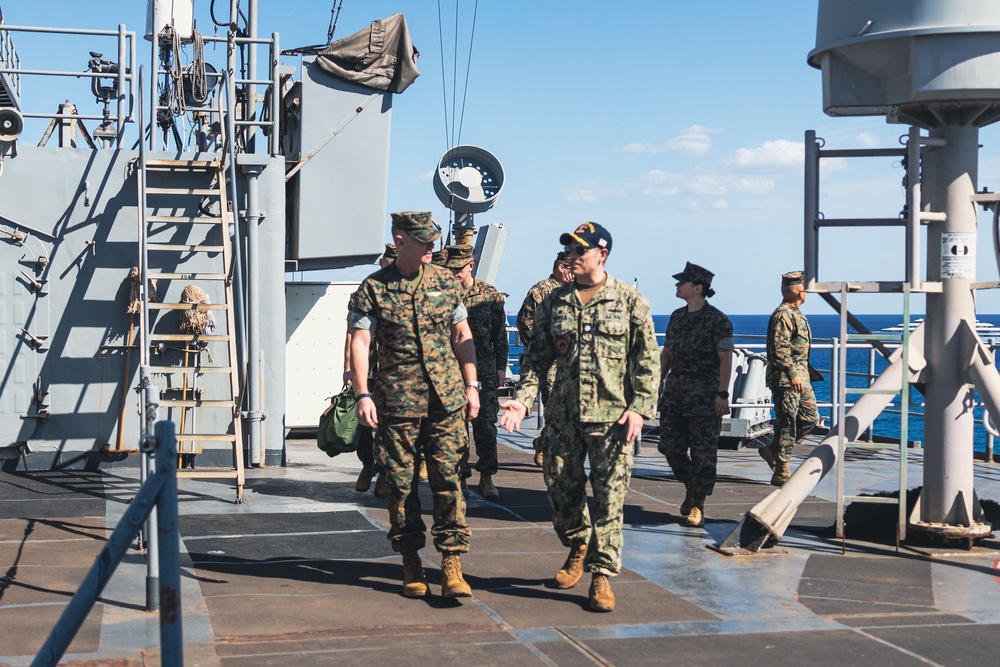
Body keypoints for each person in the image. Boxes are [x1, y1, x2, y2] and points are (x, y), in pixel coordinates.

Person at [499, 222, 659, 613]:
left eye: (580, 251)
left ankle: (601, 577)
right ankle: (578, 543)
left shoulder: (629, 300)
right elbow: (536, 357)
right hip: (563, 417)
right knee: (561, 492)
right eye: (569, 250)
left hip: (612, 420)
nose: (572, 257)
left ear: (602, 255)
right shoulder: (555, 301)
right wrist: (522, 399)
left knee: (610, 499)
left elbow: (647, 361)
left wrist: (639, 410)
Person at [349, 211, 480, 600]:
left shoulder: (445, 282)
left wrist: (472, 384)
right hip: (397, 402)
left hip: (446, 400)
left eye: (433, 240)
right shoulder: (373, 289)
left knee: (449, 480)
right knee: (400, 485)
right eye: (424, 241)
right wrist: (362, 393)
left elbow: (462, 335)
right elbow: (360, 342)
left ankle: (452, 564)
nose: (432, 248)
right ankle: (411, 562)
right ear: (400, 240)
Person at [658, 261, 733, 529]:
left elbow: (726, 359)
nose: (677, 285)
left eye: (682, 282)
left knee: (703, 454)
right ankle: (692, 487)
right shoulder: (676, 317)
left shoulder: (718, 321)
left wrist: (723, 394)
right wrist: (658, 382)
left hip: (704, 397)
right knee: (669, 447)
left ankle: (698, 504)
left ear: (697, 288)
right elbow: (666, 353)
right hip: (676, 394)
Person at [445, 244, 508, 502]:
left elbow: (499, 336)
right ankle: (460, 477)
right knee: (454, 427)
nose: (454, 274)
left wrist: (501, 368)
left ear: (470, 266)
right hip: (450, 371)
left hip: (483, 370)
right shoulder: (443, 293)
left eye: (458, 269)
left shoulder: (489, 295)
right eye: (450, 269)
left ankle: (486, 476)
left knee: (485, 425)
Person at [345, 243, 395, 497]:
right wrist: (348, 368)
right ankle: (368, 465)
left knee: (389, 423)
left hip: (394, 373)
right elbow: (352, 335)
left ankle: (386, 474)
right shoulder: (365, 292)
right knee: (364, 423)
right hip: (368, 370)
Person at [761, 270, 819, 486]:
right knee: (787, 422)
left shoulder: (796, 314)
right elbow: (779, 349)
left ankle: (773, 450)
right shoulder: (783, 315)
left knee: (810, 418)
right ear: (800, 292)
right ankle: (781, 470)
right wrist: (793, 373)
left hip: (801, 377)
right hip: (787, 379)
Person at [515, 251, 573, 467]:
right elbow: (524, 320)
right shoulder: (542, 290)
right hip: (550, 364)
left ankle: (543, 442)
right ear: (561, 268)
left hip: (571, 362)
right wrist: (541, 347)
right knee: (554, 407)